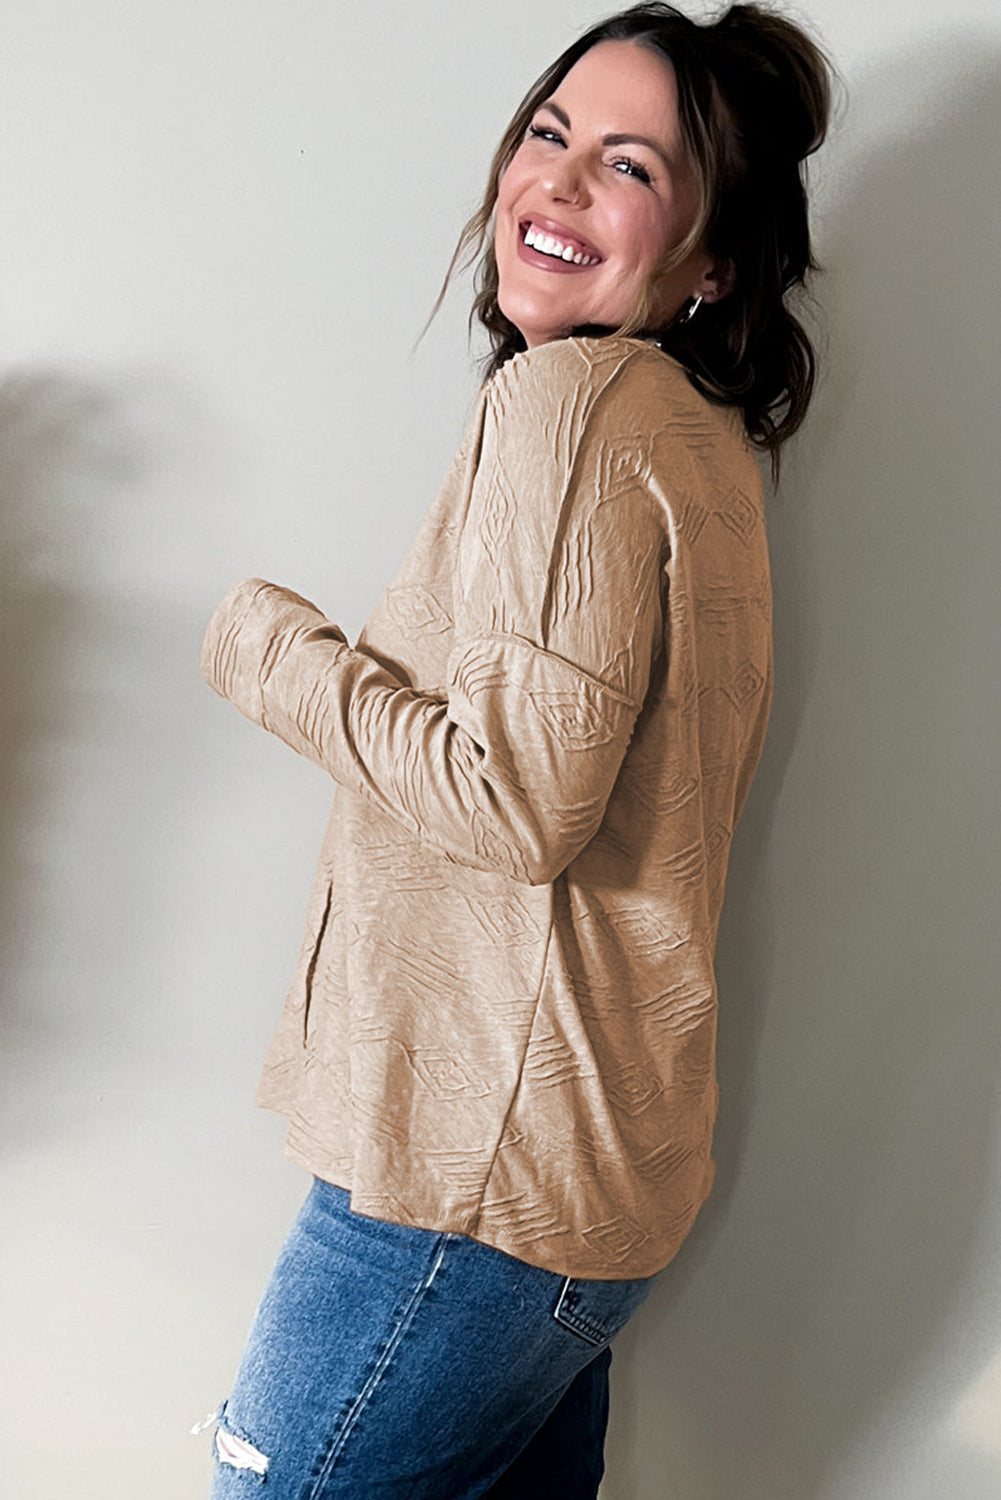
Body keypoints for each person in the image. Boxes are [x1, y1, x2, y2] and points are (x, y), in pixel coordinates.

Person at [197, 4, 836, 1495]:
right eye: (550, 134)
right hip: (577, 1183)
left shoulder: (575, 409)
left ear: (710, 262)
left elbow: (515, 805)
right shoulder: (693, 436)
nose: (558, 180)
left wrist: (269, 651)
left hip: (465, 1185)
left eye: (630, 166)